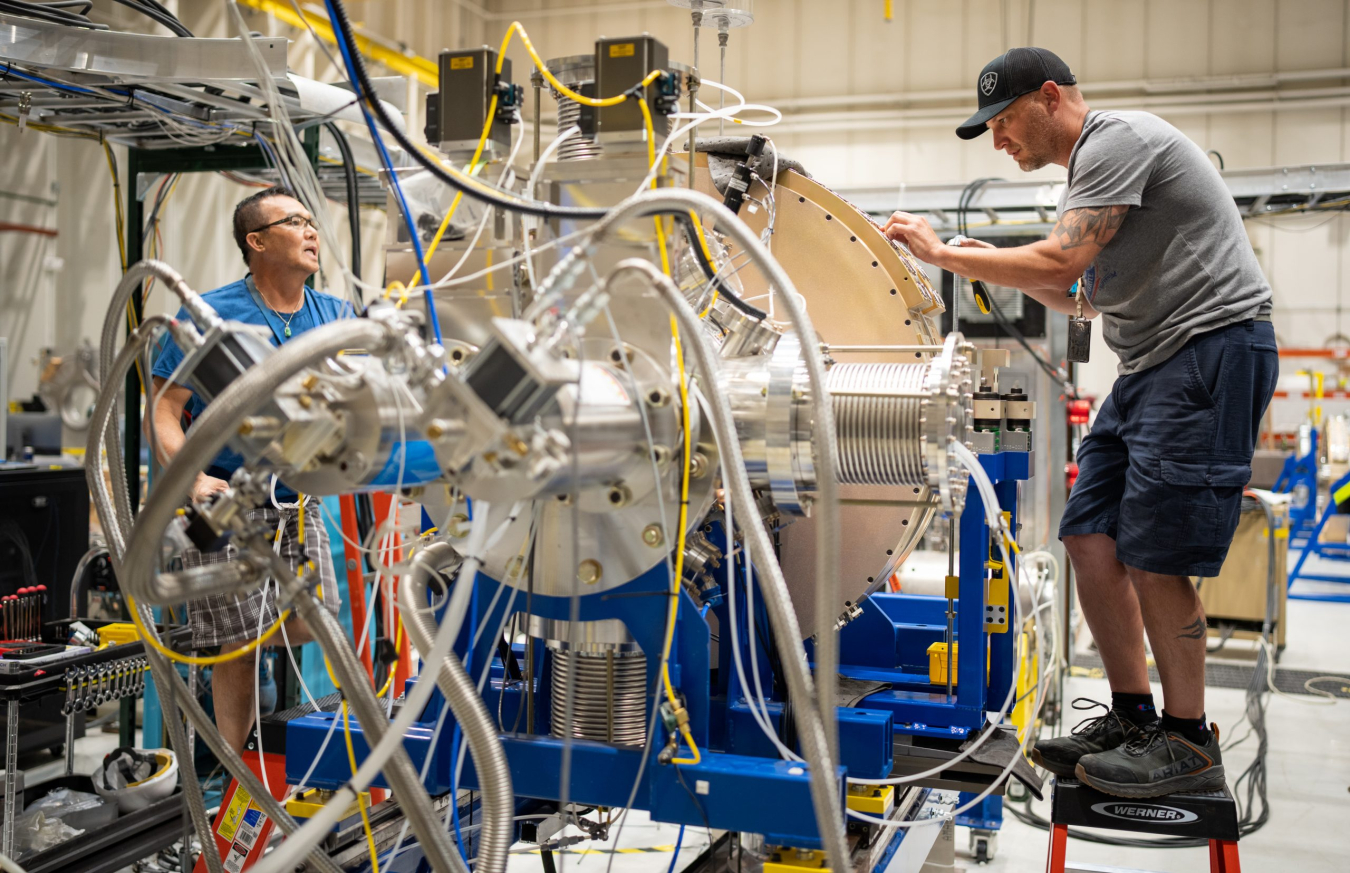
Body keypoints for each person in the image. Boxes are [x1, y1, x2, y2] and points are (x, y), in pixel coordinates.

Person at [882, 48, 1277, 798]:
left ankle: (1187, 740)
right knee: (1089, 532)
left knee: (1156, 552)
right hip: (1152, 361)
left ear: (1051, 97)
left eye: (1003, 123)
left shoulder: (1115, 141)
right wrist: (974, 261)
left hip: (1211, 346)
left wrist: (945, 251)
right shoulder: (1088, 178)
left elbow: (1061, 264)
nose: (999, 141)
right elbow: (1083, 294)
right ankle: (1133, 717)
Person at [148, 186, 352, 754]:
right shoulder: (210, 315)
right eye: (295, 222)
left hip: (299, 500)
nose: (312, 232)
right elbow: (164, 408)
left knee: (312, 622)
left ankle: (286, 738)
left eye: (313, 222)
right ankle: (233, 771)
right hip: (225, 498)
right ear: (256, 241)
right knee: (232, 648)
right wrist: (190, 479)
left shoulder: (335, 316)